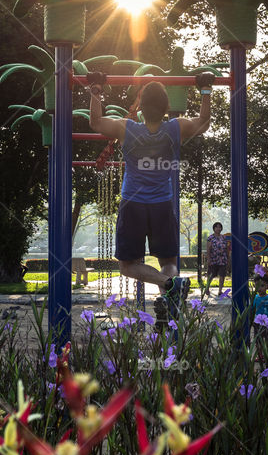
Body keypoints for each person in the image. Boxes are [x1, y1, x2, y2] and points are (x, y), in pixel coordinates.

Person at [89, 73, 212, 327]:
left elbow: (96, 122)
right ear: (166, 107)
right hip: (162, 204)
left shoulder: (126, 127)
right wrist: (206, 89)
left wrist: (96, 89)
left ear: (140, 108)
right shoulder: (175, 127)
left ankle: (168, 286)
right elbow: (203, 122)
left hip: (132, 204)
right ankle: (170, 285)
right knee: (168, 262)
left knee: (126, 266)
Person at [251, 271, 268, 343]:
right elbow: (252, 309)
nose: (259, 288)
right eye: (257, 285)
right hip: (257, 324)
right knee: (258, 341)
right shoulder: (255, 298)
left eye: (262, 285)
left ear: (267, 286)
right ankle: (259, 353)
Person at [204, 222, 229, 298]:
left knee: (222, 275)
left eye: (220, 227)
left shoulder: (223, 237)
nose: (218, 229)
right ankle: (207, 288)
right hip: (213, 259)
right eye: (217, 227)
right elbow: (208, 249)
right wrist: (208, 259)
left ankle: (220, 290)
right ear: (214, 228)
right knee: (211, 275)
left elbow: (226, 248)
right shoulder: (210, 238)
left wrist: (228, 258)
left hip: (222, 259)